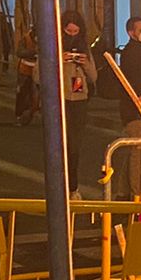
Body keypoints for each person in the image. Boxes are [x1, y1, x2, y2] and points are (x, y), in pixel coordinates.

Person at [58, 10, 98, 193]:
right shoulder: (52, 46)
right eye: (68, 32)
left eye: (75, 32)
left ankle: (72, 187)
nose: (72, 36)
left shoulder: (85, 48)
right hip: (59, 100)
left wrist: (84, 63)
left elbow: (94, 76)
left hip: (79, 100)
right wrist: (60, 61)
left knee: (75, 146)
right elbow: (38, 75)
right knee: (61, 146)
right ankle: (62, 186)